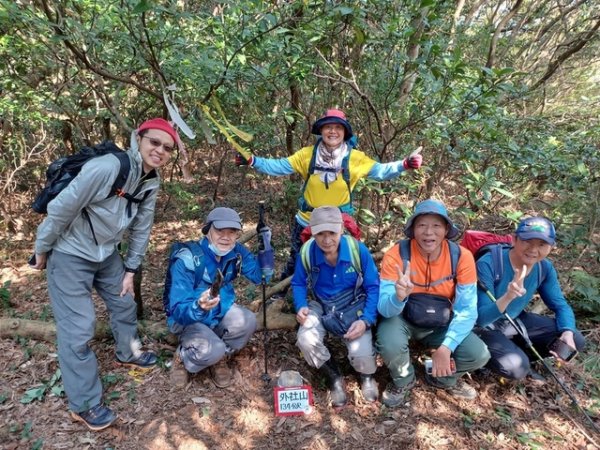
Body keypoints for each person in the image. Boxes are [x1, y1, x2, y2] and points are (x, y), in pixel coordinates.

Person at [31, 118, 178, 431]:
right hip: (70, 253)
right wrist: (41, 249)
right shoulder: (107, 167)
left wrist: (131, 268)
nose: (160, 150)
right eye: (154, 142)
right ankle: (84, 404)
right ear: (139, 138)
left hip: (107, 254)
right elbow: (61, 209)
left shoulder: (151, 181)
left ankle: (129, 352)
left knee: (125, 303)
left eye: (167, 148)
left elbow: (142, 226)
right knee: (78, 329)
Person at [235, 108, 423, 288]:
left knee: (339, 261)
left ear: (344, 133)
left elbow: (381, 171)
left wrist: (405, 164)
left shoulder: (355, 158)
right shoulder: (307, 155)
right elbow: (279, 166)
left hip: (338, 224)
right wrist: (253, 161)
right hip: (307, 221)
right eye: (328, 127)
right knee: (297, 259)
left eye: (338, 127)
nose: (333, 131)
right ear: (321, 131)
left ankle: (336, 295)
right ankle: (286, 293)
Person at [377, 199, 490, 407]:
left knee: (478, 354)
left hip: (442, 320)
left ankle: (442, 378)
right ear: (413, 229)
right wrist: (398, 296)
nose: (429, 232)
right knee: (389, 341)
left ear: (446, 229)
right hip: (403, 318)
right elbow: (384, 309)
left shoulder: (461, 257)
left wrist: (446, 348)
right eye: (422, 225)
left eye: (436, 225)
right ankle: (404, 380)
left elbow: (467, 310)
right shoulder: (396, 254)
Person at [165, 207, 270, 390]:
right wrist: (199, 306)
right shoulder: (188, 259)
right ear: (207, 231)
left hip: (219, 310)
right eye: (220, 231)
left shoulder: (236, 252)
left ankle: (218, 357)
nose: (226, 237)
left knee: (247, 321)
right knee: (211, 349)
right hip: (188, 318)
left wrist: (266, 247)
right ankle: (182, 358)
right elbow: (178, 310)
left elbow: (261, 277)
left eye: (232, 232)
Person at [475, 217, 585, 381]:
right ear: (515, 239)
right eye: (527, 241)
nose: (533, 249)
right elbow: (481, 318)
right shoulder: (490, 262)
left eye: (541, 244)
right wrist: (508, 296)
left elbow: (560, 305)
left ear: (551, 247)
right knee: (517, 369)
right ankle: (487, 361)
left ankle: (520, 355)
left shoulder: (544, 268)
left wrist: (567, 332)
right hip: (483, 326)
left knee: (575, 338)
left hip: (513, 320)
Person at [291, 206, 380, 407]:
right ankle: (333, 376)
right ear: (312, 232)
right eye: (320, 234)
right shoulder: (307, 252)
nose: (326, 239)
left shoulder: (357, 250)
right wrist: (301, 306)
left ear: (341, 228)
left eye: (332, 232)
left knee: (362, 353)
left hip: (353, 302)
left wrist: (366, 320)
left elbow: (373, 286)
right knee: (306, 339)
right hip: (321, 305)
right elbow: (298, 282)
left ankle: (366, 376)